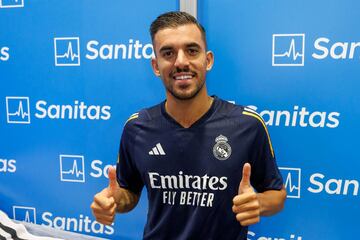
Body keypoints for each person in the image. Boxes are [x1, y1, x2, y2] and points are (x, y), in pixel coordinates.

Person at [91, 11, 286, 240]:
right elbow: (128, 194)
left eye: (192, 51)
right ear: (156, 65)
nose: (181, 62)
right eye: (168, 53)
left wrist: (258, 203)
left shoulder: (248, 125)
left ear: (208, 60)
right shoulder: (137, 128)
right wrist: (113, 201)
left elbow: (277, 195)